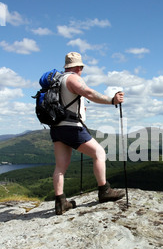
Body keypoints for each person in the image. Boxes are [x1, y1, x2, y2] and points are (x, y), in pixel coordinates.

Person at [50, 51, 125, 215]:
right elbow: (89, 93)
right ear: (79, 67)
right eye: (81, 67)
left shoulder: (58, 79)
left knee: (60, 167)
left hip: (56, 127)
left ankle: (60, 202)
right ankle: (104, 191)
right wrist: (111, 100)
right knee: (99, 152)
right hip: (72, 127)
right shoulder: (73, 79)